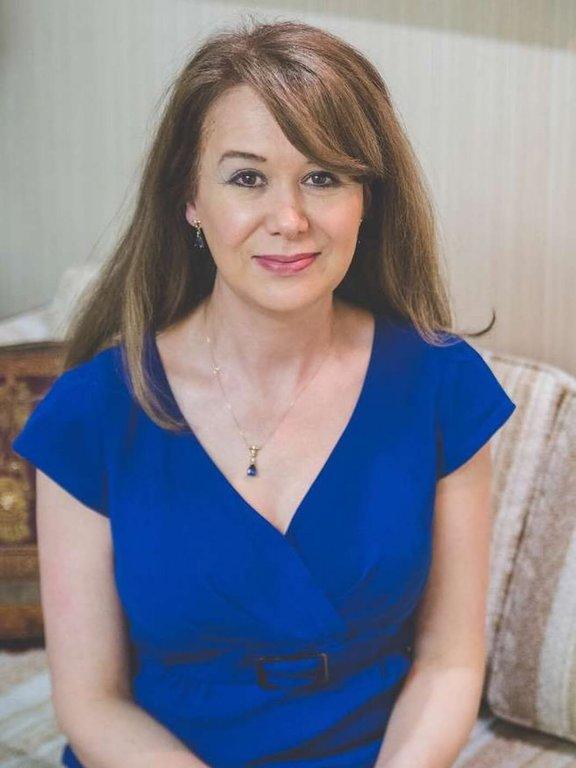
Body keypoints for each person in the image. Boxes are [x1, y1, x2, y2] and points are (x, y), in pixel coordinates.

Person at [11, 17, 516, 768]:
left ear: (367, 198)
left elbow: (449, 663)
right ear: (189, 197)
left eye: (324, 177)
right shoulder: (91, 412)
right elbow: (91, 701)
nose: (289, 220)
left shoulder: (443, 386)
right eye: (247, 178)